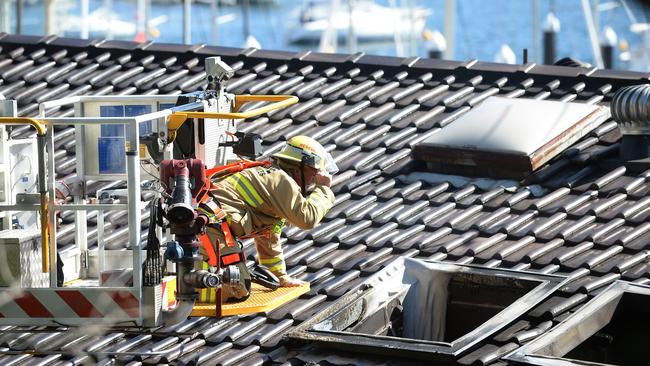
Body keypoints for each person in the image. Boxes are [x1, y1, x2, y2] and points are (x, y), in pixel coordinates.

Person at [203, 135, 337, 288]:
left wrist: (279, 277)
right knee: (236, 288)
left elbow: (269, 237)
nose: (314, 181)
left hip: (212, 226)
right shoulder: (281, 180)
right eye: (314, 174)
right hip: (209, 224)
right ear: (299, 168)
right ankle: (189, 298)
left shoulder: (277, 185)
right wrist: (324, 189)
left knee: (235, 284)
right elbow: (307, 218)